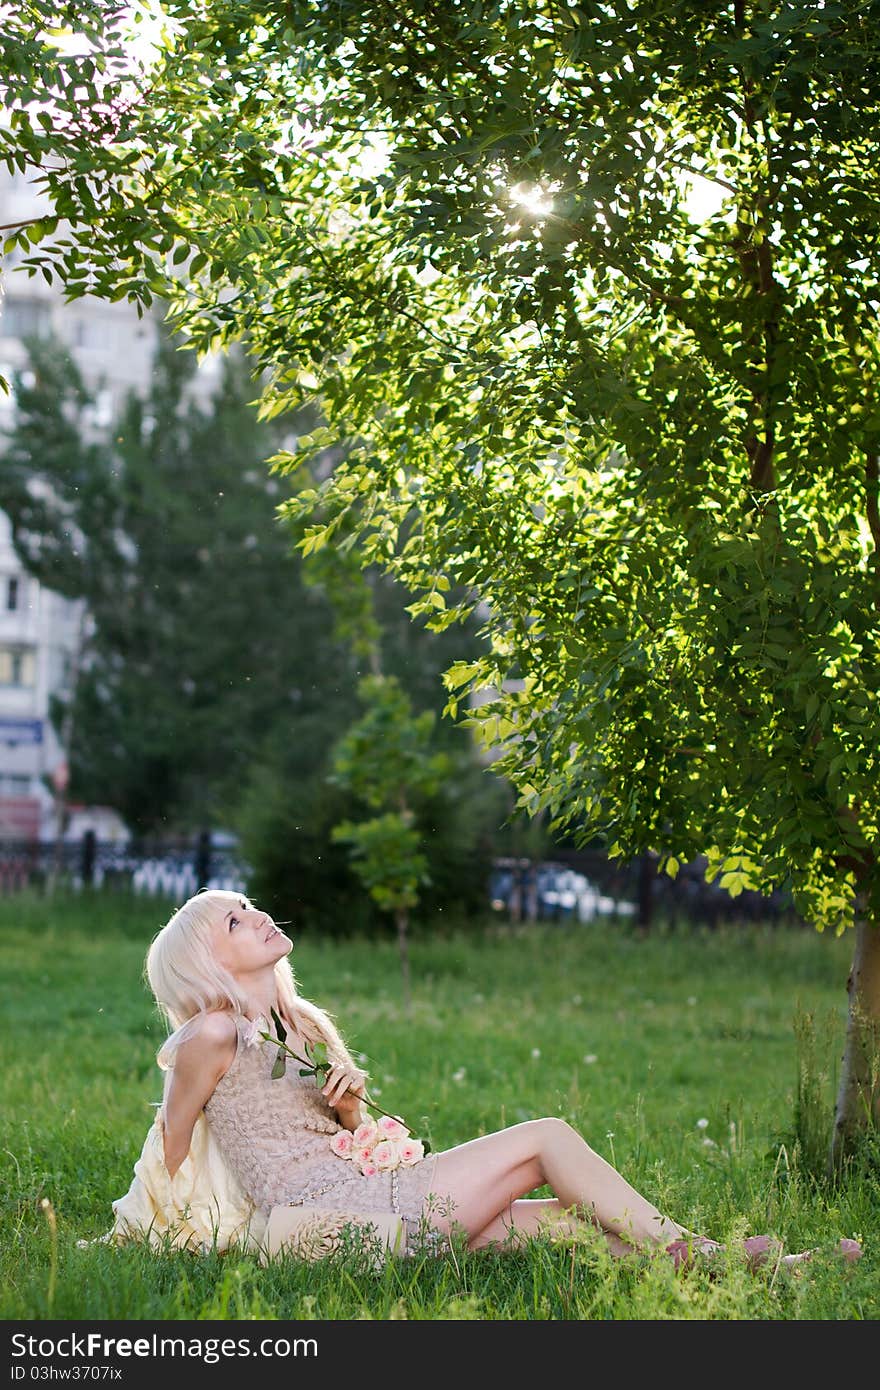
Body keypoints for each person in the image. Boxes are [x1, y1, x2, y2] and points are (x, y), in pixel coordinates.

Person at [144, 888, 859, 1273]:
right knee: (546, 1137)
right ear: (206, 966)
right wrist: (168, 1231)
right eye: (235, 922)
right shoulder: (213, 1034)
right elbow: (173, 1139)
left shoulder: (303, 1025)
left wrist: (353, 1107)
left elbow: (341, 1135)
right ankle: (711, 1253)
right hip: (320, 1220)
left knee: (569, 1225)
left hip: (363, 1197)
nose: (258, 916)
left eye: (249, 905)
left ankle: (765, 1269)